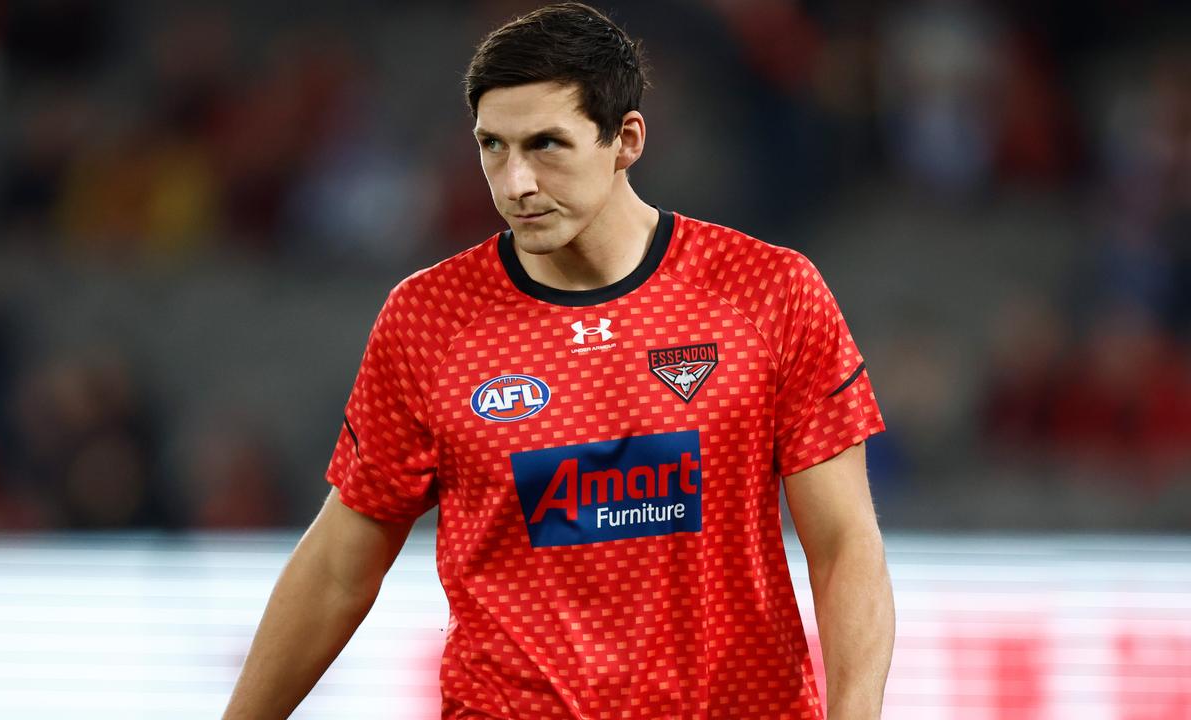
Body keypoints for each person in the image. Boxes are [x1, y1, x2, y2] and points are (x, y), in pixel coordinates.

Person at [222, 3, 894, 718]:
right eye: (493, 147)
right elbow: (336, 569)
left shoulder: (767, 292)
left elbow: (845, 546)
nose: (515, 183)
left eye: (546, 145)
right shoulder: (429, 319)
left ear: (625, 139)